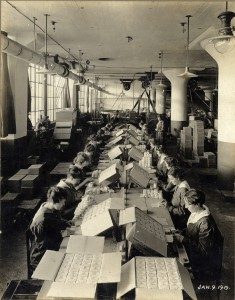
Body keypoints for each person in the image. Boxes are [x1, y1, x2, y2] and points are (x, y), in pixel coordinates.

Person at [174, 189, 223, 281]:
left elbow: (202, 249)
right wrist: (182, 232)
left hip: (203, 262)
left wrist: (182, 239)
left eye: (188, 204)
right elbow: (193, 230)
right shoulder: (197, 212)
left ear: (196, 204)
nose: (186, 206)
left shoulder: (205, 223)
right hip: (194, 250)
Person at [29, 186, 71, 276]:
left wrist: (67, 223)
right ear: (58, 200)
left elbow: (56, 220)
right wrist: (63, 234)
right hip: (41, 256)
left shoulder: (47, 205)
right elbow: (46, 243)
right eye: (63, 201)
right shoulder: (44, 218)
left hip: (47, 246)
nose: (64, 204)